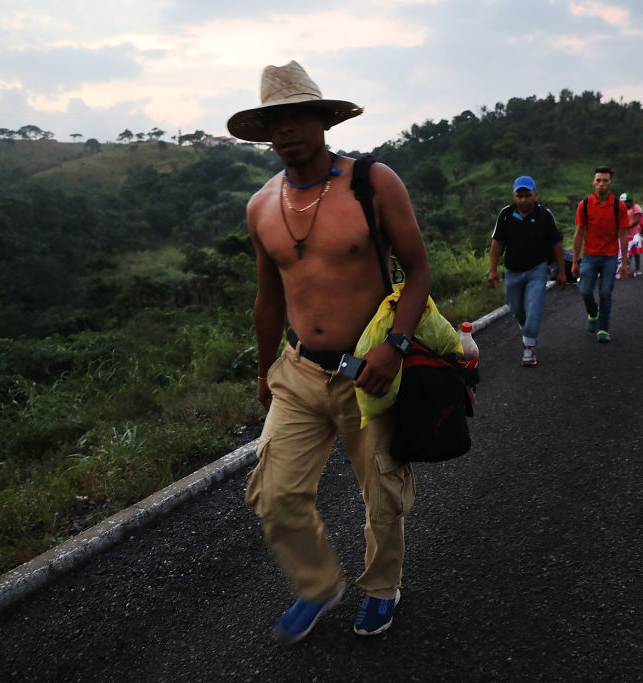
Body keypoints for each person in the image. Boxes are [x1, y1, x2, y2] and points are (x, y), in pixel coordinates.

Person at [230, 60, 432, 644]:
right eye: (275, 121)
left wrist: (395, 347)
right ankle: (318, 584)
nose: (286, 129)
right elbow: (269, 300)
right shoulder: (261, 206)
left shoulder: (373, 183)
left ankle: (382, 586)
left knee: (382, 492)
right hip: (298, 370)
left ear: (323, 121)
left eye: (297, 116)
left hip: (369, 368)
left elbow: (418, 270)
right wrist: (264, 371)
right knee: (274, 491)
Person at [488, 175, 566, 366]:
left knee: (534, 308)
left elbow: (556, 244)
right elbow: (497, 243)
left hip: (537, 270)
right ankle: (526, 328)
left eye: (527, 195)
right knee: (516, 310)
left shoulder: (544, 215)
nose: (523, 200)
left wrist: (562, 271)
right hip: (512, 272)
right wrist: (493, 270)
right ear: (514, 196)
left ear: (535, 195)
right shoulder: (506, 214)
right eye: (519, 196)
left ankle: (529, 348)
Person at [572, 166, 632, 343]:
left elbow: (623, 234)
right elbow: (579, 233)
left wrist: (624, 263)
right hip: (590, 256)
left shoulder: (618, 206)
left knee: (605, 292)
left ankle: (603, 329)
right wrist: (574, 261)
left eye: (605, 181)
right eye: (598, 180)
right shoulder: (584, 205)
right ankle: (593, 314)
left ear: (610, 183)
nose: (601, 184)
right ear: (593, 182)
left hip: (610, 257)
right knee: (585, 290)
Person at [622, 194, 643, 277]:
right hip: (625, 233)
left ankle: (637, 268)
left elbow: (636, 221)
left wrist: (626, 226)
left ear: (629, 201)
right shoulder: (622, 208)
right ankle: (626, 267)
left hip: (634, 232)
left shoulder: (636, 207)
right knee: (626, 251)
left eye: (625, 202)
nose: (623, 204)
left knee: (635, 251)